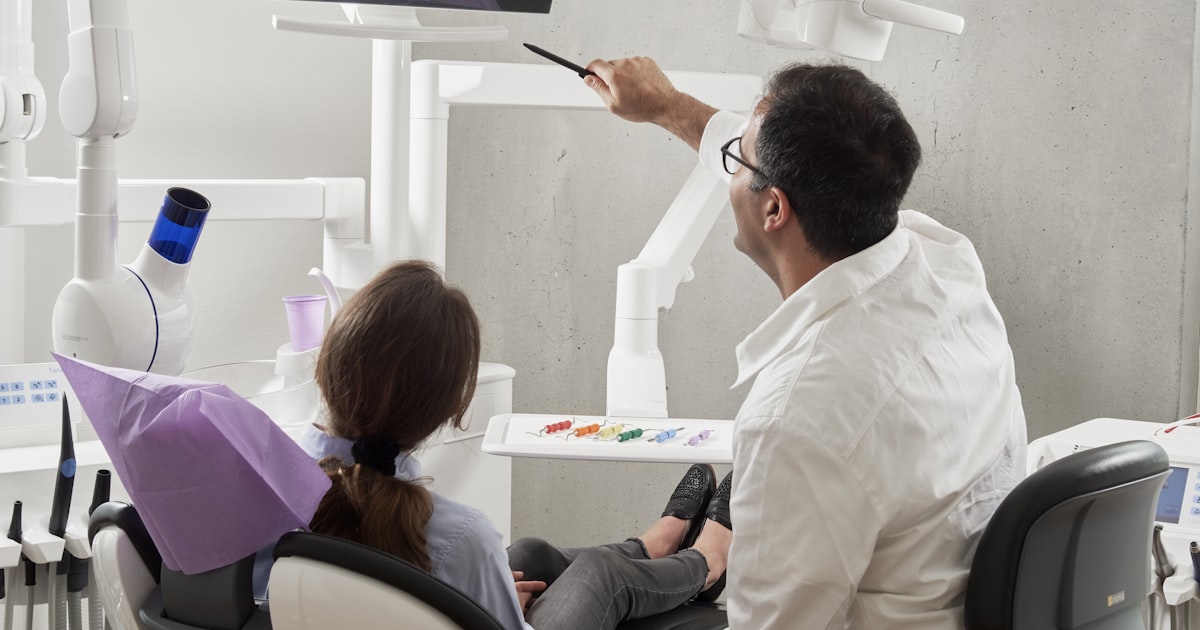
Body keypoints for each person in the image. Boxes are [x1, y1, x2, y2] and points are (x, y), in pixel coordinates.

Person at [581, 58, 1029, 629]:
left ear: (774, 209)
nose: (730, 173)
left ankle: (694, 560)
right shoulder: (946, 261)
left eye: (737, 162)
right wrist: (666, 104)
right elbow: (778, 165)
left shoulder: (799, 418)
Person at [299, 259, 734, 630]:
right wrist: (503, 612)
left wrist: (491, 595)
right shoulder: (462, 537)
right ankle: (705, 562)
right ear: (453, 407)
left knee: (530, 553)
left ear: (327, 359)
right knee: (602, 574)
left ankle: (649, 549)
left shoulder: (271, 491)